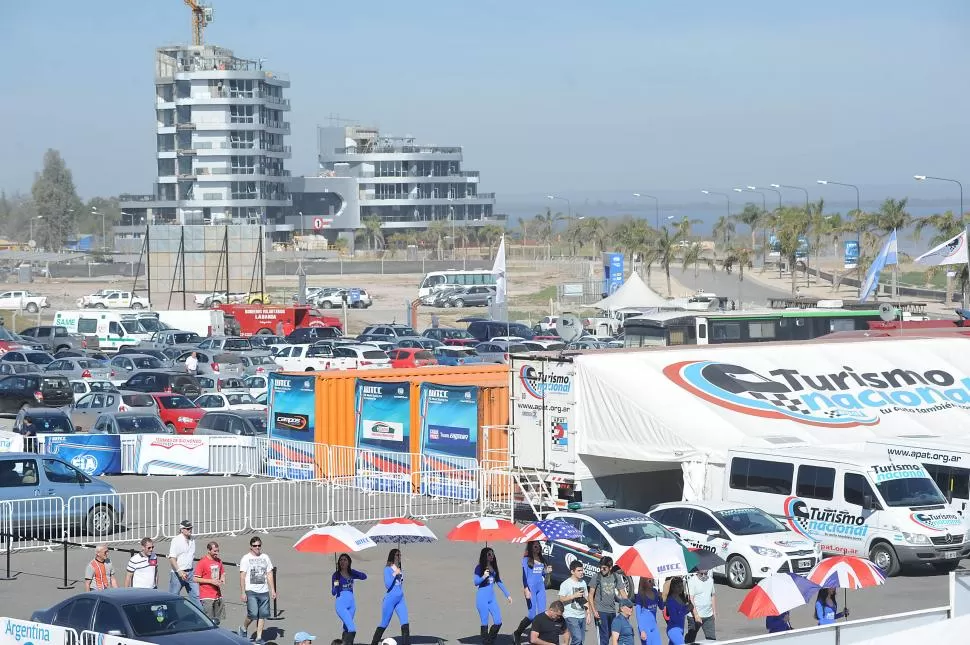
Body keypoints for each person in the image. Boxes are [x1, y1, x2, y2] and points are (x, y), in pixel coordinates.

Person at [239, 536, 277, 644]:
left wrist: (273, 590)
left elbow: (269, 574)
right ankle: (244, 628)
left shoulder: (265, 557)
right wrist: (243, 592)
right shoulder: (246, 558)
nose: (257, 547)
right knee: (253, 614)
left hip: (264, 590)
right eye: (255, 546)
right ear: (251, 547)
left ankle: (259, 637)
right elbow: (242, 576)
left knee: (262, 614)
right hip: (251, 590)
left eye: (259, 545)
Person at [514, 541, 552, 643]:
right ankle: (517, 633)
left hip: (541, 588)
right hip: (531, 588)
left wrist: (546, 571)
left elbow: (542, 574)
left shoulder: (542, 559)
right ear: (531, 547)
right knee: (531, 615)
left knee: (541, 614)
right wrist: (526, 589)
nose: (538, 547)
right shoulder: (526, 560)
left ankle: (536, 638)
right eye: (535, 546)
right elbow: (524, 576)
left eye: (539, 546)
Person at [474, 546, 513, 645]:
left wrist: (507, 595)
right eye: (489, 554)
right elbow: (476, 582)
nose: (492, 556)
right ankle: (487, 643)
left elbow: (499, 581)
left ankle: (489, 641)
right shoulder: (479, 568)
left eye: (492, 553)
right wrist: (484, 576)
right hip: (482, 598)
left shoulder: (493, 567)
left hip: (492, 599)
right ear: (484, 556)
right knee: (484, 622)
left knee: (498, 621)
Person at [372, 548, 409, 645]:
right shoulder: (387, 569)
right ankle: (374, 643)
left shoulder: (399, 569)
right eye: (397, 555)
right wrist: (395, 573)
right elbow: (388, 584)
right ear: (392, 556)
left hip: (400, 599)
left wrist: (397, 571)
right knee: (384, 623)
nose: (399, 557)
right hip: (390, 599)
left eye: (400, 555)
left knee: (405, 622)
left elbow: (400, 584)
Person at [589, 556, 627, 645]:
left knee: (611, 633)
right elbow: (590, 595)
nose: (602, 569)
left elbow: (623, 593)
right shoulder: (596, 577)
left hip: (612, 611)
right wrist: (594, 611)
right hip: (600, 611)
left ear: (610, 567)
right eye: (600, 567)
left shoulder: (615, 577)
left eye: (604, 568)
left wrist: (628, 606)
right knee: (604, 637)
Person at [332, 553, 367, 645]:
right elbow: (333, 592)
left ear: (349, 562)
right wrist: (336, 584)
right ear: (338, 562)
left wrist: (354, 572)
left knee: (346, 628)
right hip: (341, 604)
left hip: (352, 605)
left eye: (345, 560)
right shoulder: (336, 575)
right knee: (352, 628)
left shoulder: (352, 573)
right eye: (341, 560)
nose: (342, 561)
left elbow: (364, 576)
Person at [168, 519, 200, 607]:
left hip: (190, 572)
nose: (190, 530)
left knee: (196, 596)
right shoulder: (176, 540)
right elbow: (172, 558)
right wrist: (179, 571)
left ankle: (199, 617)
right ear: (182, 529)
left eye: (190, 528)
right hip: (178, 573)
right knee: (173, 597)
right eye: (187, 528)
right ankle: (170, 616)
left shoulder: (192, 540)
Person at [558, 560, 591, 645]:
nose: (581, 572)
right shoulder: (566, 584)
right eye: (579, 570)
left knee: (581, 641)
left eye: (582, 570)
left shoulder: (583, 583)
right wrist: (573, 596)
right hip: (570, 615)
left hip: (581, 615)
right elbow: (561, 599)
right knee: (577, 638)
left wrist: (588, 613)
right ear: (572, 571)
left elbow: (586, 598)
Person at [194, 541, 226, 625]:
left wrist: (222, 578)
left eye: (218, 551)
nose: (217, 553)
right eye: (215, 551)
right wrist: (211, 581)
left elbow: (222, 572)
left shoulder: (219, 561)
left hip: (217, 595)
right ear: (209, 550)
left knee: (217, 621)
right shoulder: (203, 562)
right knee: (208, 621)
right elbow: (195, 578)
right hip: (206, 596)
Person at [686, 570, 716, 642]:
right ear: (697, 572)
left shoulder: (710, 580)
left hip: (708, 615)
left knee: (712, 640)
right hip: (694, 616)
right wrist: (696, 615)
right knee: (691, 639)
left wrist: (714, 612)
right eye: (701, 574)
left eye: (705, 574)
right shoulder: (692, 581)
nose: (703, 576)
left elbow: (713, 596)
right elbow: (691, 599)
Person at [633, 577, 663, 645]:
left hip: (654, 625)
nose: (652, 582)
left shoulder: (655, 591)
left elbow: (661, 607)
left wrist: (660, 598)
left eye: (652, 580)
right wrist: (642, 630)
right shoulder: (640, 595)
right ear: (644, 582)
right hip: (644, 627)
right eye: (649, 581)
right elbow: (638, 614)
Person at [662, 577, 691, 645]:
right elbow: (674, 617)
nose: (681, 588)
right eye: (678, 586)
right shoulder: (670, 600)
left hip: (681, 628)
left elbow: (682, 611)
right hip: (673, 630)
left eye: (681, 586)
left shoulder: (681, 597)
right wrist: (687, 609)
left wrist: (689, 606)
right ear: (673, 588)